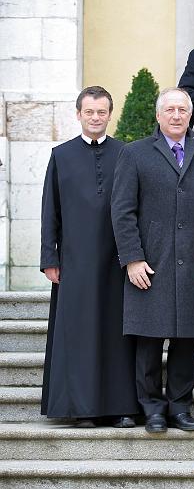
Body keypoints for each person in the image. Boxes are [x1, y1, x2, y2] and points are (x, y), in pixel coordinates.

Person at [111, 87, 194, 434]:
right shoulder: (134, 154)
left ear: (190, 115)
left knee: (186, 342)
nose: (176, 116)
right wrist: (132, 259)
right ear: (158, 116)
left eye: (182, 110)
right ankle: (153, 409)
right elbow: (122, 211)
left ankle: (180, 407)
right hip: (152, 264)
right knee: (148, 340)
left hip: (192, 263)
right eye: (170, 110)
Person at [40, 86, 138, 428]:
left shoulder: (126, 153)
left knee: (118, 333)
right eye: (89, 112)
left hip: (116, 259)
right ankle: (82, 408)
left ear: (110, 114)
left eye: (101, 112)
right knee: (79, 332)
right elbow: (50, 210)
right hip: (75, 260)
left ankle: (121, 406)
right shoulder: (61, 155)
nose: (95, 118)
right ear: (78, 114)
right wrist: (48, 257)